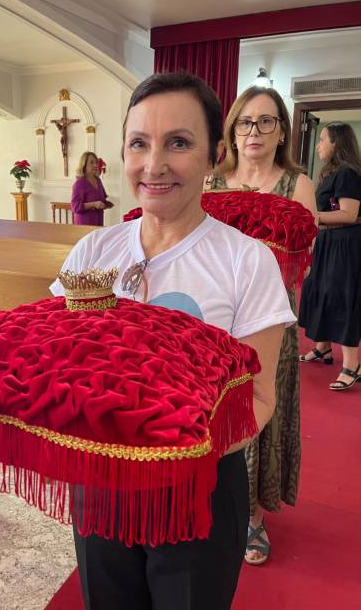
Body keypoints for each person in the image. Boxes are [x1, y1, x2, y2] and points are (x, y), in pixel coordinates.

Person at [50, 72, 295, 610]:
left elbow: (258, 399)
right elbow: (58, 367)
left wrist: (173, 455)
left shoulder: (245, 260)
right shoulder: (93, 252)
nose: (154, 164)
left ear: (216, 155)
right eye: (139, 143)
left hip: (197, 490)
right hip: (101, 483)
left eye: (179, 143)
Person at [207, 86, 317, 566]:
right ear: (233, 130)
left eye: (266, 121)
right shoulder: (212, 181)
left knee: (259, 410)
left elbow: (300, 261)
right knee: (214, 412)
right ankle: (211, 501)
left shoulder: (297, 185)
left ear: (281, 132)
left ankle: (252, 517)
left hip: (270, 319)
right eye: (245, 121)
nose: (254, 131)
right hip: (215, 321)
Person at [299, 122, 361, 390]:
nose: (318, 145)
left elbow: (348, 214)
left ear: (337, 142)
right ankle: (323, 347)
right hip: (329, 242)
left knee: (341, 298)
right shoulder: (333, 173)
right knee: (320, 292)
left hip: (345, 245)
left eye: (323, 139)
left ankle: (352, 365)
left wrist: (311, 216)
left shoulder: (347, 173)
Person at [70, 151, 113, 226]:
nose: (95, 165)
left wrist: (106, 204)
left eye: (96, 162)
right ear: (84, 165)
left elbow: (102, 199)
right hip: (84, 225)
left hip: (98, 223)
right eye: (92, 162)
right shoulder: (79, 183)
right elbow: (75, 207)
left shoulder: (98, 180)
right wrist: (93, 204)